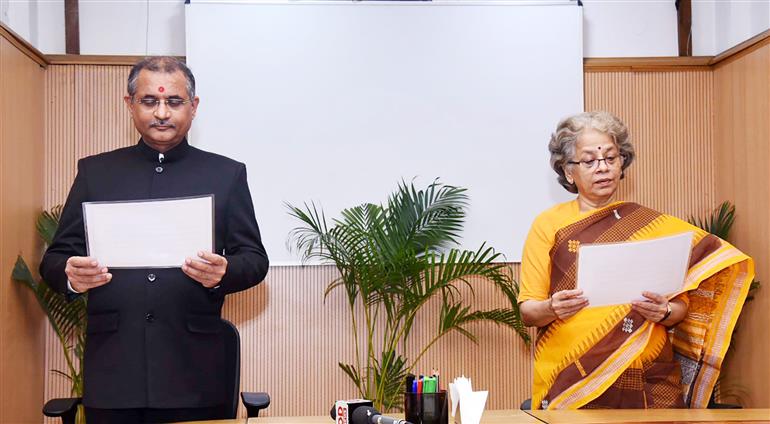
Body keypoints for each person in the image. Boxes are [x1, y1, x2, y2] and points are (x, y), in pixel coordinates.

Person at [40, 57, 269, 423]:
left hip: (195, 375)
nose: (162, 112)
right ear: (129, 104)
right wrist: (70, 273)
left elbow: (254, 259)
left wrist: (225, 271)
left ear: (193, 107)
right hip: (114, 374)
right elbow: (55, 258)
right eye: (149, 101)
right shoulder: (95, 172)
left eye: (174, 102)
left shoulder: (225, 174)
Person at [518, 111, 753, 410]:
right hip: (573, 379)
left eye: (611, 158)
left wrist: (664, 311)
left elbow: (680, 308)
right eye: (589, 161)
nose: (602, 168)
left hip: (649, 378)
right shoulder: (547, 225)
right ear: (568, 171)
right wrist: (553, 307)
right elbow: (528, 311)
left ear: (622, 162)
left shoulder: (653, 225)